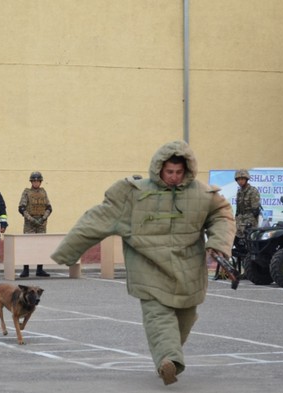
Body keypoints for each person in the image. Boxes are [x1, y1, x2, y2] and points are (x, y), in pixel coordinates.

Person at [51, 140, 235, 386]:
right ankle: (168, 361)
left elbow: (221, 216)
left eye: (179, 172)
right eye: (169, 172)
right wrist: (66, 253)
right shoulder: (133, 195)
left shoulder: (202, 195)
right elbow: (95, 220)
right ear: (158, 168)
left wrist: (218, 243)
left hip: (188, 270)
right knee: (158, 316)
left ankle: (169, 354)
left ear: (188, 170)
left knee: (186, 317)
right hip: (148, 269)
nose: (173, 177)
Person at [17, 171, 52, 278]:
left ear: (40, 182)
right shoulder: (26, 192)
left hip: (41, 223)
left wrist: (43, 218)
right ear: (31, 182)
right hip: (29, 223)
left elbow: (49, 207)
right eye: (34, 181)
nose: (36, 183)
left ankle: (40, 269)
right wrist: (31, 219)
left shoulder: (43, 192)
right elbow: (21, 208)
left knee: (40, 246)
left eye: (38, 181)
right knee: (27, 246)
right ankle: (26, 269)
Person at [234, 169, 260, 239]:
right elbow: (238, 209)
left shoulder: (253, 191)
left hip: (249, 220)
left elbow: (255, 210)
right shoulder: (239, 192)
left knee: (249, 240)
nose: (240, 181)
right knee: (237, 240)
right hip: (240, 220)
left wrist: (251, 223)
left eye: (242, 179)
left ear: (246, 179)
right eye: (238, 179)